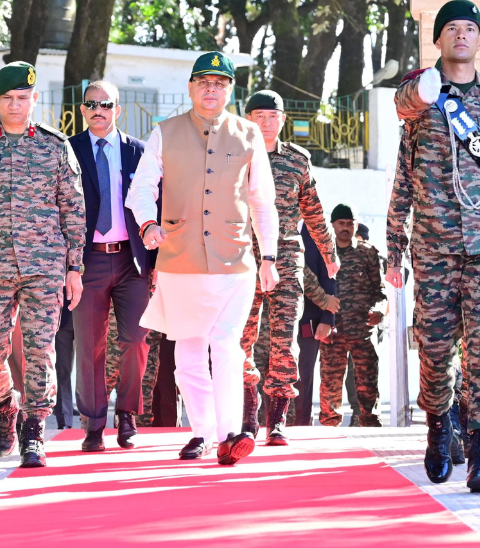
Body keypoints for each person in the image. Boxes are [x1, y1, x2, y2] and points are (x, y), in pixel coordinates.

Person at [385, 0, 480, 493]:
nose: (462, 35)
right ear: (439, 39)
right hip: (433, 247)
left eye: (470, 28)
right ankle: (436, 430)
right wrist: (393, 248)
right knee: (435, 350)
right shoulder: (423, 98)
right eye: (452, 28)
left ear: (479, 38)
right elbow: (403, 180)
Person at [125, 51, 280, 465]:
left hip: (236, 262)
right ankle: (202, 432)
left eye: (220, 83)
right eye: (204, 82)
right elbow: (140, 189)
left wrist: (271, 257)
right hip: (179, 261)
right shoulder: (165, 132)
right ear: (191, 87)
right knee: (189, 351)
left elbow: (263, 202)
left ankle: (231, 434)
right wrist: (147, 225)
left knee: (227, 344)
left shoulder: (249, 135)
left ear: (230, 90)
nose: (211, 89)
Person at [0, 61, 86, 469]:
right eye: (7, 99)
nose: (16, 106)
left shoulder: (55, 146)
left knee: (40, 349)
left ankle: (34, 428)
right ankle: (3, 406)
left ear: (35, 99)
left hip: (44, 265)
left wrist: (75, 267)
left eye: (23, 98)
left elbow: (72, 208)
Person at [239, 90, 338, 445]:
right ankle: (249, 414)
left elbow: (313, 210)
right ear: (248, 118)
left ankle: (277, 419)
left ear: (283, 120)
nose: (266, 123)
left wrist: (329, 252)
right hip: (242, 261)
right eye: (259, 116)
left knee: (283, 341)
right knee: (241, 339)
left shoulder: (297, 160)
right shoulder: (234, 155)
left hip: (286, 261)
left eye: (272, 116)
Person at [68, 80, 157, 451]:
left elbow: (157, 201)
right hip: (87, 261)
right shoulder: (68, 150)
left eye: (106, 104)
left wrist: (157, 260)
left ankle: (127, 415)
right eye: (91, 104)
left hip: (131, 260)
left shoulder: (139, 152)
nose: (99, 110)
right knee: (90, 345)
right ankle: (93, 423)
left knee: (135, 339)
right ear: (83, 110)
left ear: (118, 109)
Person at [319, 204, 386, 427]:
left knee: (367, 386)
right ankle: (329, 432)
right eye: (341, 223)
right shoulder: (324, 254)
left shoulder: (368, 253)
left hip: (362, 331)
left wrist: (379, 309)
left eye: (350, 223)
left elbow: (381, 291)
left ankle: (371, 428)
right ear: (333, 225)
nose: (345, 228)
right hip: (333, 332)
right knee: (330, 388)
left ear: (356, 225)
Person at [291, 222, 338, 426]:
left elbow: (330, 275)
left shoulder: (316, 230)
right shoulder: (271, 221)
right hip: (269, 320)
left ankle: (301, 428)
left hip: (307, 320)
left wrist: (328, 318)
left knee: (303, 380)